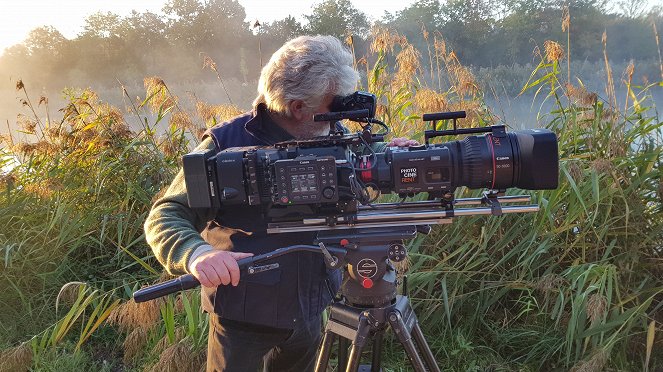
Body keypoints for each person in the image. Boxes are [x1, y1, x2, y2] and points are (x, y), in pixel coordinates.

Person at [144, 35, 416, 372]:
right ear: (298, 106)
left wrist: (397, 158)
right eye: (331, 107)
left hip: (311, 307)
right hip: (243, 316)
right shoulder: (224, 144)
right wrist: (197, 255)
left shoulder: (330, 131)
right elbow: (165, 215)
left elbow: (367, 162)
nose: (338, 118)